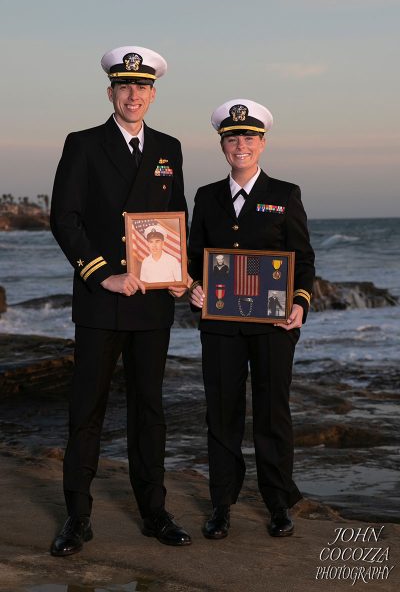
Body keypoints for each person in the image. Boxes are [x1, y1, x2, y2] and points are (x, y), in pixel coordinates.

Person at [50, 45, 191, 555]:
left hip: (152, 304)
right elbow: (64, 219)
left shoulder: (169, 147)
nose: (134, 95)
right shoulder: (83, 143)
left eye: (143, 87)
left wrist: (179, 273)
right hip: (101, 301)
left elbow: (175, 215)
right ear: (111, 92)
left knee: (149, 411)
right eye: (125, 87)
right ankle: (76, 518)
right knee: (86, 410)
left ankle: (155, 512)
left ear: (153, 94)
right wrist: (102, 274)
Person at [188, 99, 315, 540]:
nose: (240, 144)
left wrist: (299, 302)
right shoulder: (206, 197)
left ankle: (278, 503)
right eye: (231, 137)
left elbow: (303, 259)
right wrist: (194, 289)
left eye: (248, 137)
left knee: (272, 413)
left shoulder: (285, 194)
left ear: (262, 143)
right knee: (221, 414)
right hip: (220, 324)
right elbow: (193, 259)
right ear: (222, 143)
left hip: (273, 327)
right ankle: (221, 503)